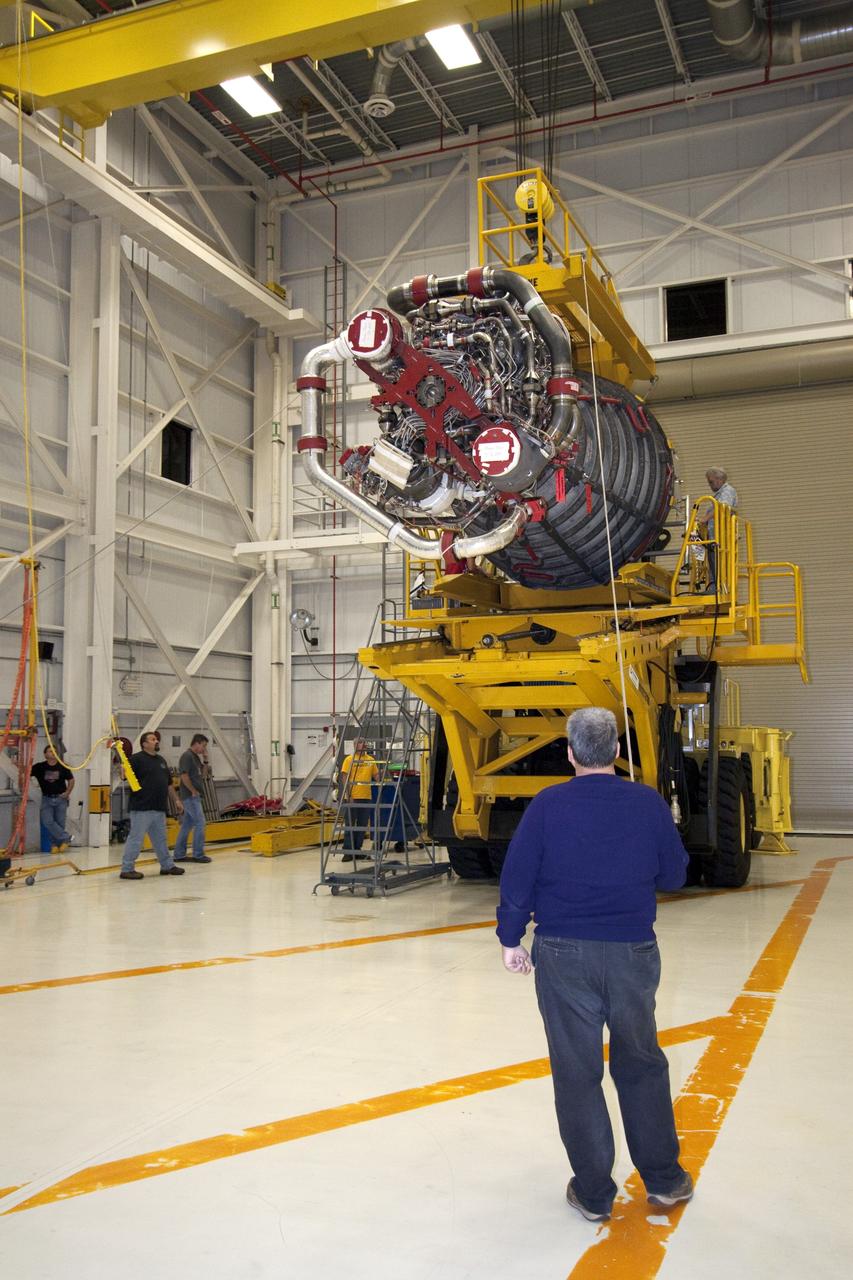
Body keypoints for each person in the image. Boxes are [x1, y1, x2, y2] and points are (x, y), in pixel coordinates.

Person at [497, 706, 693, 1223]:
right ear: (617, 753)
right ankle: (667, 1181)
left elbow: (517, 877)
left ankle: (594, 1192)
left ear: (569, 752)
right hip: (632, 951)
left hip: (563, 954)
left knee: (577, 1071)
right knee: (642, 1063)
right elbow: (674, 876)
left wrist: (510, 939)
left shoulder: (546, 805)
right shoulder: (647, 803)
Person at [119, 731, 185, 880]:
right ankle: (127, 868)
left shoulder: (161, 760)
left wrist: (177, 800)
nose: (156, 741)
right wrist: (123, 771)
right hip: (142, 807)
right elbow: (124, 776)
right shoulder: (136, 759)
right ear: (144, 743)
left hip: (159, 808)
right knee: (136, 838)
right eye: (152, 739)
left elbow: (168, 784)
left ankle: (167, 866)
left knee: (161, 839)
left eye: (156, 739)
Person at [173, 733, 212, 864]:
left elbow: (204, 774)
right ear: (197, 743)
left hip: (194, 795)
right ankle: (198, 854)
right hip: (190, 796)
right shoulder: (187, 756)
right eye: (204, 746)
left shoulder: (195, 758)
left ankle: (178, 854)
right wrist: (193, 791)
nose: (204, 749)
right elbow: (184, 776)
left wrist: (206, 759)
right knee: (200, 823)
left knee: (187, 825)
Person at [699, 466, 738, 592]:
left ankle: (718, 588)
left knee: (719, 562)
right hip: (715, 536)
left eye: (711, 481)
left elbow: (723, 508)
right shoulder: (718, 495)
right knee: (713, 562)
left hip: (722, 535)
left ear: (719, 479)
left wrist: (705, 518)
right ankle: (714, 586)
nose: (710, 485)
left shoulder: (727, 491)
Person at [339, 738, 378, 860]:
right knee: (350, 824)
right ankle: (348, 851)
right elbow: (344, 777)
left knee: (362, 825)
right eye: (360, 743)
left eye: (364, 742)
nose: (364, 744)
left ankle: (357, 849)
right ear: (355, 745)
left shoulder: (371, 760)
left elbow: (376, 775)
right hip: (353, 797)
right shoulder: (349, 760)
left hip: (366, 797)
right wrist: (348, 794)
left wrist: (381, 777)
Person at [31, 745, 75, 851]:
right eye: (50, 751)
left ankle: (55, 845)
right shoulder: (39, 767)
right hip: (47, 799)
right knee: (47, 821)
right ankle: (66, 838)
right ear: (45, 754)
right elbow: (27, 773)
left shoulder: (62, 766)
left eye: (55, 751)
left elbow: (71, 780)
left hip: (61, 799)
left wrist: (68, 792)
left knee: (60, 823)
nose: (53, 753)